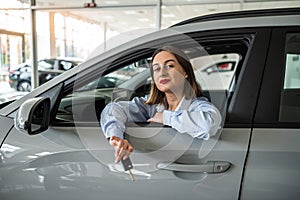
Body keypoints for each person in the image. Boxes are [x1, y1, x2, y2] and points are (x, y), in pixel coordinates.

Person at [100, 45, 222, 164]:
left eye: (169, 66)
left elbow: (208, 125)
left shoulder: (197, 106)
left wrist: (164, 117)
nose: (162, 73)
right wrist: (115, 137)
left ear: (185, 72)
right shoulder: (150, 106)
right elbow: (113, 109)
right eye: (156, 69)